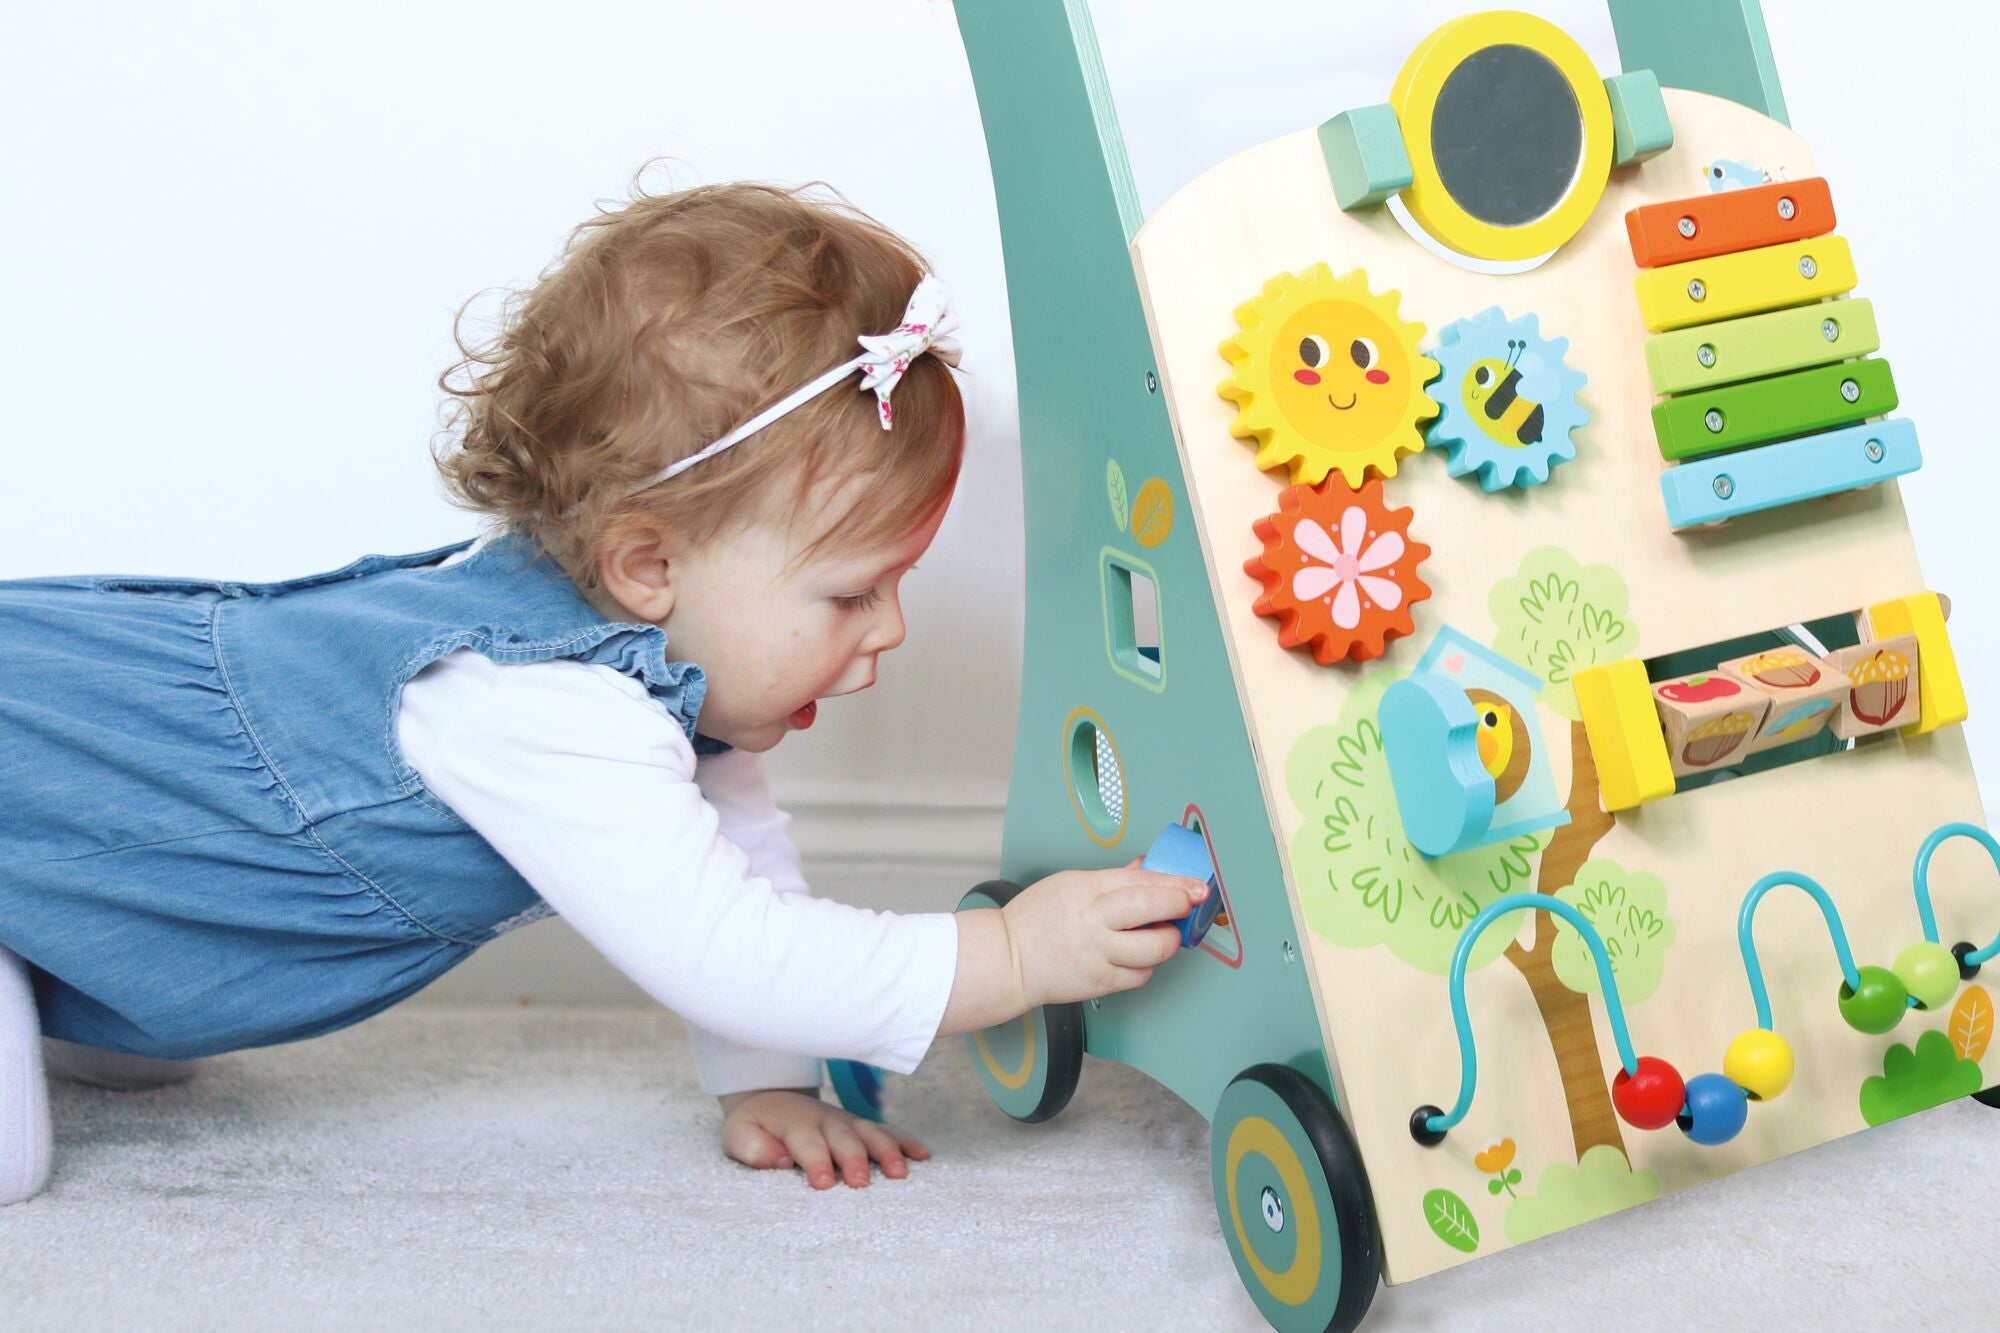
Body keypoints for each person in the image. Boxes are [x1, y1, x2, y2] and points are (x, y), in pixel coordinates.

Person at [0, 180, 1209, 1203]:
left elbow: (738, 878)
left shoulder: (652, 671)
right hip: (44, 753)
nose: (888, 633)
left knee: (151, 1033)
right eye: (850, 595)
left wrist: (767, 1080)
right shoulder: (541, 707)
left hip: (125, 846)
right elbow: (729, 951)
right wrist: (1005, 951)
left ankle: (75, 962)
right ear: (646, 564)